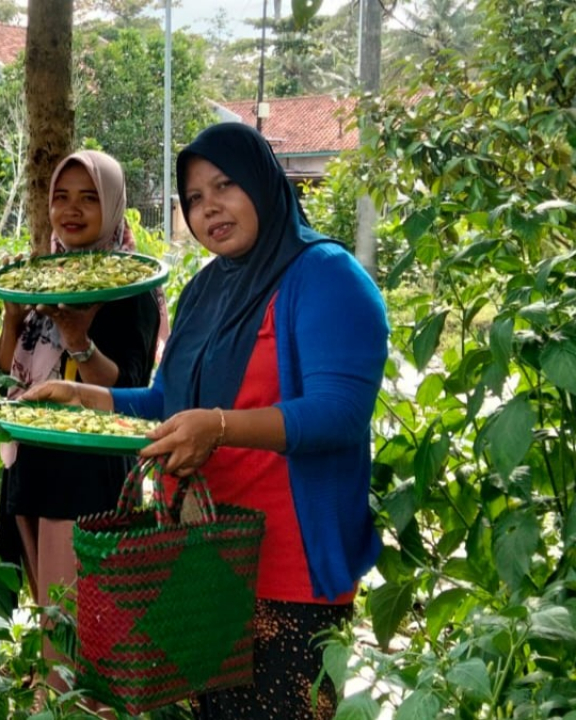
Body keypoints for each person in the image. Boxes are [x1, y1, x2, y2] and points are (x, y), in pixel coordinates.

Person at [24, 122, 389, 718]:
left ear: (265, 183)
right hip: (198, 561)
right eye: (193, 198)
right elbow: (170, 402)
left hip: (288, 575)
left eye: (225, 185)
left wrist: (219, 428)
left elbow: (339, 414)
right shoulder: (203, 291)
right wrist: (98, 398)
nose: (208, 206)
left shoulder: (326, 276)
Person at [0, 150, 163, 691]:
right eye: (61, 197)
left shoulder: (131, 289)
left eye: (89, 197)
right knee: (52, 619)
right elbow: (2, 374)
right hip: (33, 461)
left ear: (112, 206)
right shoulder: (40, 278)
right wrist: (13, 318)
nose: (72, 209)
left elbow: (131, 385)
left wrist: (79, 339)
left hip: (87, 475)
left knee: (83, 632)